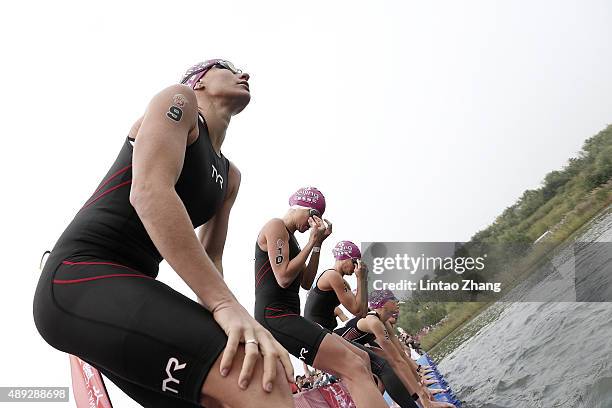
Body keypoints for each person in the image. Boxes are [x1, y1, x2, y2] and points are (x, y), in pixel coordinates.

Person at [33, 59, 294, 408]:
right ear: (198, 80)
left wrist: (227, 321)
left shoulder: (230, 177)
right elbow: (149, 192)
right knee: (262, 377)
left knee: (226, 391)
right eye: (227, 67)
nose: (243, 74)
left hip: (126, 290)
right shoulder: (179, 101)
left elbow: (211, 256)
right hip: (79, 277)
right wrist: (224, 304)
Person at [253, 187, 390, 408]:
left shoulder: (293, 240)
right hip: (274, 317)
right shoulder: (276, 226)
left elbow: (305, 281)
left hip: (288, 316)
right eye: (312, 217)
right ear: (300, 207)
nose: (311, 224)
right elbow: (284, 277)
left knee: (362, 360)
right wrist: (310, 242)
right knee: (353, 366)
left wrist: (317, 244)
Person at [303, 243, 435, 408]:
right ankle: (417, 401)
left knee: (378, 369)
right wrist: (362, 278)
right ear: (344, 258)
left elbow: (361, 310)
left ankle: (413, 399)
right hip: (318, 336)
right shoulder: (332, 276)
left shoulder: (343, 283)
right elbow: (358, 309)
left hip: (323, 335)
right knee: (383, 365)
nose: (356, 266)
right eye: (355, 261)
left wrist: (361, 281)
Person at [334, 290, 456, 408]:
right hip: (337, 346)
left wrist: (421, 385)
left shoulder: (384, 322)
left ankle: (420, 400)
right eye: (392, 299)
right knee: (385, 366)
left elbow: (401, 355)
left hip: (353, 343)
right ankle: (416, 401)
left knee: (389, 361)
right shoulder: (373, 322)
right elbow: (396, 361)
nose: (397, 301)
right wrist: (421, 393)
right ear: (383, 304)